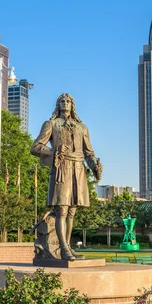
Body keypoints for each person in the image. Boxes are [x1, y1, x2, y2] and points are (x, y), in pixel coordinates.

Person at [31, 93, 102, 260]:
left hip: (78, 169)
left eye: (68, 101)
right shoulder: (51, 124)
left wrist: (95, 167)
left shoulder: (81, 127)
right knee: (62, 209)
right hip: (61, 168)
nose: (65, 103)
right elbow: (35, 147)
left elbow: (89, 152)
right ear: (58, 105)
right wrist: (53, 151)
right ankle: (63, 249)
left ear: (72, 105)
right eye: (62, 101)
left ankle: (68, 246)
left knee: (72, 211)